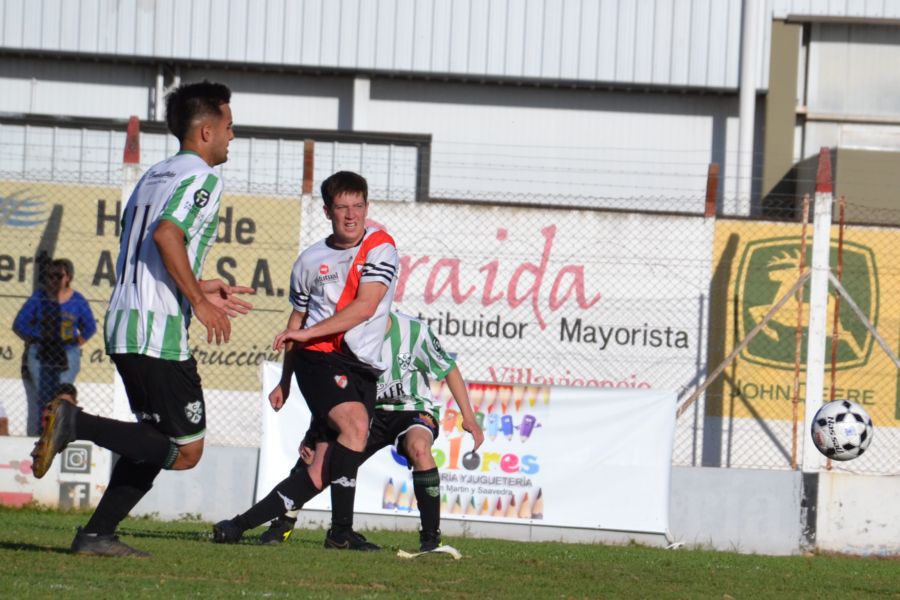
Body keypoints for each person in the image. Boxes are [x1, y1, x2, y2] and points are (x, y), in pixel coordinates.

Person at [29, 80, 254, 558]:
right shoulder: (203, 179)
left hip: (125, 321)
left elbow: (152, 248)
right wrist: (197, 299)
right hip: (158, 330)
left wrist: (200, 283)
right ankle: (76, 423)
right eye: (230, 127)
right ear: (207, 131)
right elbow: (168, 236)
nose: (234, 137)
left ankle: (96, 534)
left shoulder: (154, 175)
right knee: (187, 452)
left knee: (154, 441)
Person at [214, 170, 399, 551]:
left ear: (367, 207)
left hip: (361, 366)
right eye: (342, 207)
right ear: (328, 211)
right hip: (320, 359)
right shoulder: (310, 260)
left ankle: (235, 526)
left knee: (319, 470)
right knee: (356, 425)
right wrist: (286, 379)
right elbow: (297, 322)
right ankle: (341, 533)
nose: (351, 215)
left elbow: (365, 308)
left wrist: (303, 334)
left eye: (358, 206)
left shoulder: (381, 248)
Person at [213, 311, 484, 553]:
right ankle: (263, 524)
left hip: (411, 410)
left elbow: (448, 369)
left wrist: (469, 417)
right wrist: (314, 431)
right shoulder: (346, 338)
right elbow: (334, 397)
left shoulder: (413, 331)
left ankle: (430, 540)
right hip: (366, 414)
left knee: (419, 448)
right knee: (317, 467)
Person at [13, 258, 97, 435]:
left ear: (69, 277)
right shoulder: (39, 297)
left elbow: (90, 327)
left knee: (63, 395)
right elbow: (20, 324)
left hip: (66, 352)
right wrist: (37, 338)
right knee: (43, 397)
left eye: (58, 276)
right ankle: (40, 436)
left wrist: (75, 344)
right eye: (49, 276)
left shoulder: (77, 300)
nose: (53, 280)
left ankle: (60, 435)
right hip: (40, 352)